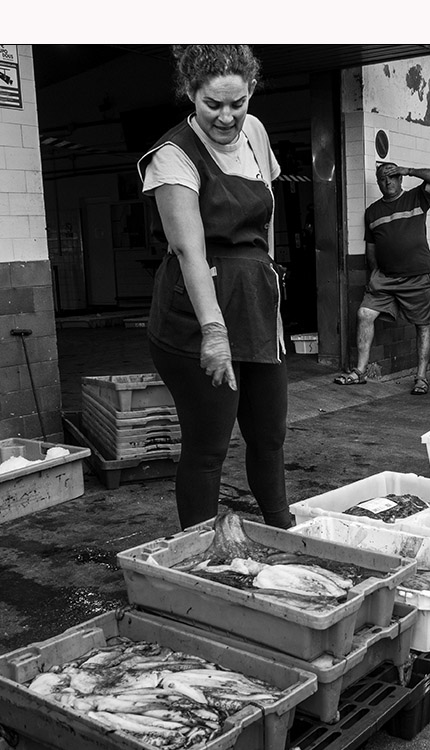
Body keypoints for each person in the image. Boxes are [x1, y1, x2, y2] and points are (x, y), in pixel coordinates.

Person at [137, 45, 292, 530]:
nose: (227, 117)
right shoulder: (173, 156)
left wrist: (275, 311)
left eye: (238, 103)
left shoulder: (257, 132)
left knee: (269, 435)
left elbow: (266, 228)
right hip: (196, 312)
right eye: (213, 105)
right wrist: (214, 332)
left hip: (254, 304)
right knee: (208, 447)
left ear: (249, 93)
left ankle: (285, 532)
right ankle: (197, 559)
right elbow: (189, 253)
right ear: (190, 94)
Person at [334, 162, 430, 395]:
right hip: (385, 278)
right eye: (383, 179)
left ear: (400, 179)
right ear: (378, 183)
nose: (388, 182)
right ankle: (359, 372)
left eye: (393, 177)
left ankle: (421, 377)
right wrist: (375, 273)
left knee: (422, 324)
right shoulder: (373, 212)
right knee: (364, 313)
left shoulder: (417, 198)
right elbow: (372, 248)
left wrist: (408, 170)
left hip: (418, 275)